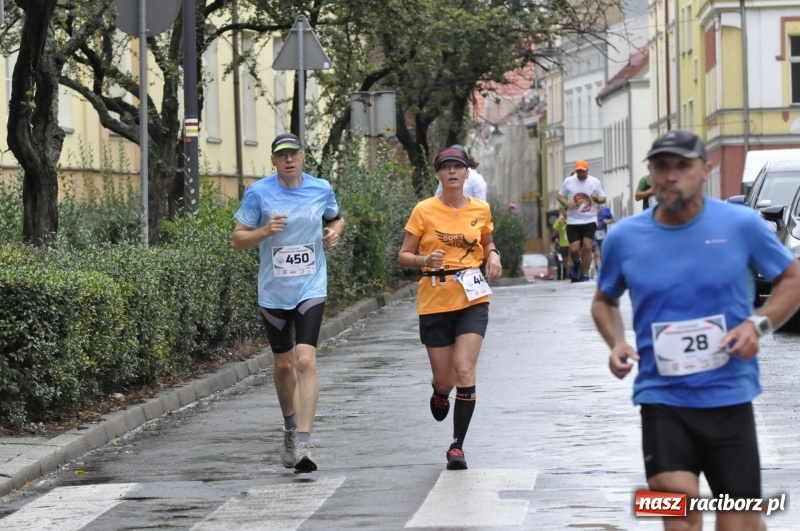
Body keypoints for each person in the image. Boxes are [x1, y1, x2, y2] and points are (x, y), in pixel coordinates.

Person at [591, 130, 800, 531]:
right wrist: (616, 342)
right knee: (680, 518)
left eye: (682, 166)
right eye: (661, 167)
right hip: (663, 401)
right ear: (650, 174)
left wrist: (759, 324)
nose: (671, 176)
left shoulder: (741, 224)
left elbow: (791, 278)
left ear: (705, 170)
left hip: (729, 399)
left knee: (740, 523)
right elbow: (604, 300)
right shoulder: (625, 238)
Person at [231, 133, 346, 474]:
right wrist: (265, 231)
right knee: (283, 366)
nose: (289, 160)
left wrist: (335, 231)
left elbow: (336, 217)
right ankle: (290, 428)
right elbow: (238, 239)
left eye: (293, 154)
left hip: (311, 285)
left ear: (303, 156)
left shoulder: (321, 187)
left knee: (306, 360)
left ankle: (304, 445)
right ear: (273, 161)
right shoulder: (259, 193)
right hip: (274, 292)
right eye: (282, 156)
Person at [397, 146, 502, 470]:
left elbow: (485, 241)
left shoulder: (481, 209)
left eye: (459, 166)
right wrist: (423, 260)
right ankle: (440, 392)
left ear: (467, 172)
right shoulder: (424, 210)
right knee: (445, 379)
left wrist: (494, 254)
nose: (453, 172)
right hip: (435, 298)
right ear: (439, 175)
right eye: (446, 168)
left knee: (464, 371)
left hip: (472, 298)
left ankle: (457, 446)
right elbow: (403, 254)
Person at [557, 160, 607, 282]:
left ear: (587, 170)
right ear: (576, 171)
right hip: (573, 221)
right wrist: (567, 204)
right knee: (574, 250)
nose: (580, 174)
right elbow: (559, 196)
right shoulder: (569, 182)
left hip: (589, 219)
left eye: (583, 171)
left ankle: (584, 274)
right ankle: (577, 263)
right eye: (578, 171)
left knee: (587, 246)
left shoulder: (594, 182)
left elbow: (603, 198)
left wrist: (596, 199)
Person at [592, 205, 613, 273]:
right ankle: (600, 272)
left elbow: (612, 219)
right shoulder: (589, 210)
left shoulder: (605, 210)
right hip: (593, 235)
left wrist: (607, 221)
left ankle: (604, 270)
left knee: (603, 254)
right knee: (597, 254)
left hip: (603, 235)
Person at [552, 208, 570, 280]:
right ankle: (568, 272)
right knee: (565, 260)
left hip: (570, 242)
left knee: (570, 258)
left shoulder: (570, 219)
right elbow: (554, 228)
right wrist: (560, 225)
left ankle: (571, 273)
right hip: (563, 243)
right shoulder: (560, 221)